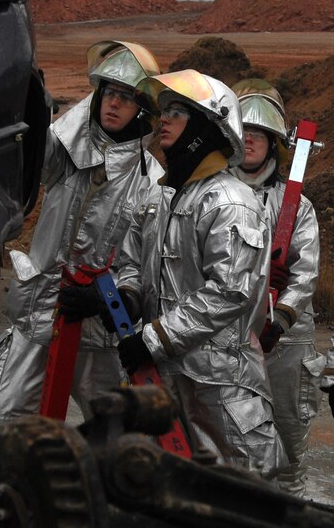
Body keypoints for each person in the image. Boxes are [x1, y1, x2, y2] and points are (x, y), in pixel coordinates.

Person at [114, 69, 285, 479]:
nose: (164, 120)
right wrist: (129, 294)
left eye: (178, 112)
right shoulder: (162, 196)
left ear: (206, 128)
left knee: (242, 492)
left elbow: (229, 292)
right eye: (165, 111)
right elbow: (131, 257)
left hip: (221, 388)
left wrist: (152, 339)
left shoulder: (232, 202)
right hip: (167, 380)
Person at [0, 41, 164, 428]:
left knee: (117, 431)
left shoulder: (153, 184)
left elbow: (140, 261)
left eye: (127, 98)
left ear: (143, 110)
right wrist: (29, 101)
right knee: (10, 416)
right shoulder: (65, 152)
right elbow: (29, 155)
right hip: (39, 314)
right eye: (109, 93)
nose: (113, 104)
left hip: (100, 328)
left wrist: (115, 300)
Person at [230, 79, 325, 496]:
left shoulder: (297, 208)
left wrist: (280, 319)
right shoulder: (211, 197)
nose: (249, 142)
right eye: (242, 133)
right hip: (224, 338)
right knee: (231, 447)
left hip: (286, 345)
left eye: (259, 135)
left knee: (287, 451)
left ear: (274, 143)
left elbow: (306, 272)